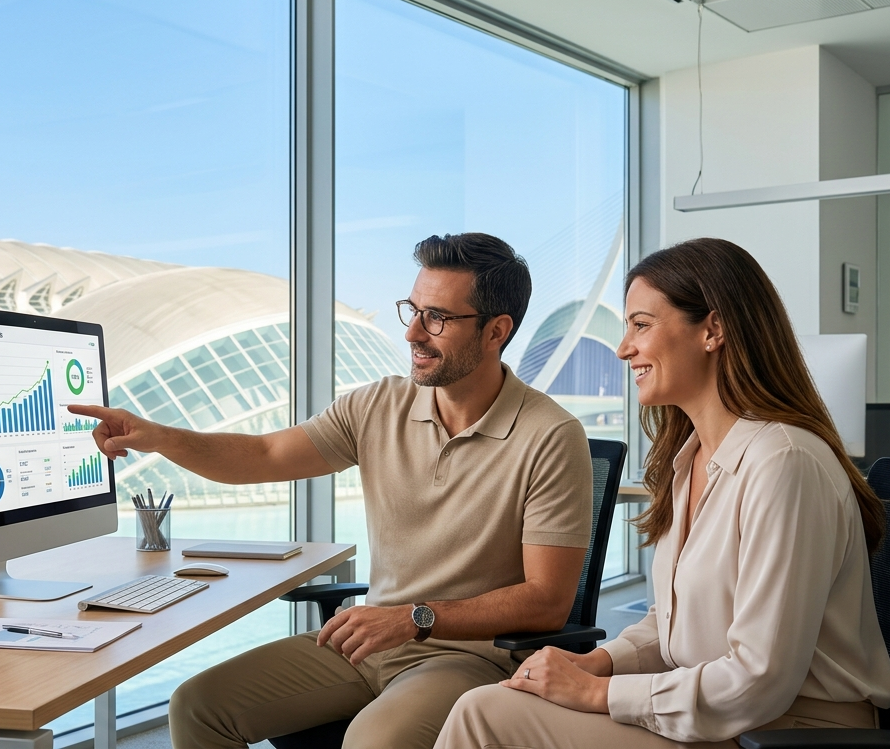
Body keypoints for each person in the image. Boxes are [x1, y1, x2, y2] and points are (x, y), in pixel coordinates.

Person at [68, 233, 594, 749]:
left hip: (467, 656)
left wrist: (414, 619)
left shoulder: (550, 436)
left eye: (437, 317)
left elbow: (546, 602)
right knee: (198, 707)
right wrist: (159, 437)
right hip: (369, 644)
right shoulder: (377, 406)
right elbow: (263, 456)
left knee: (372, 741)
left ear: (495, 331)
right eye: (411, 310)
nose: (412, 333)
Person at [435, 237, 890, 749]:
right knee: (494, 705)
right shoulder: (692, 458)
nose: (622, 347)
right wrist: (599, 662)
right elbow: (677, 626)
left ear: (713, 330)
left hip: (793, 729)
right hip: (720, 715)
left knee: (485, 715)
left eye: (641, 325)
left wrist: (596, 694)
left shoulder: (784, 463)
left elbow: (759, 679)